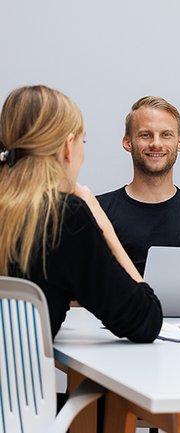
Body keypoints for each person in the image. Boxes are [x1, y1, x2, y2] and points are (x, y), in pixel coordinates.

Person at [0, 85, 162, 343]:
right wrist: (101, 222)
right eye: (82, 141)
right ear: (67, 147)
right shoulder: (63, 217)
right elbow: (145, 320)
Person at [97, 96, 180, 275]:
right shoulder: (97, 212)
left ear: (179, 142)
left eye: (166, 135)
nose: (156, 143)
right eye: (145, 135)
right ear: (128, 142)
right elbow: (75, 290)